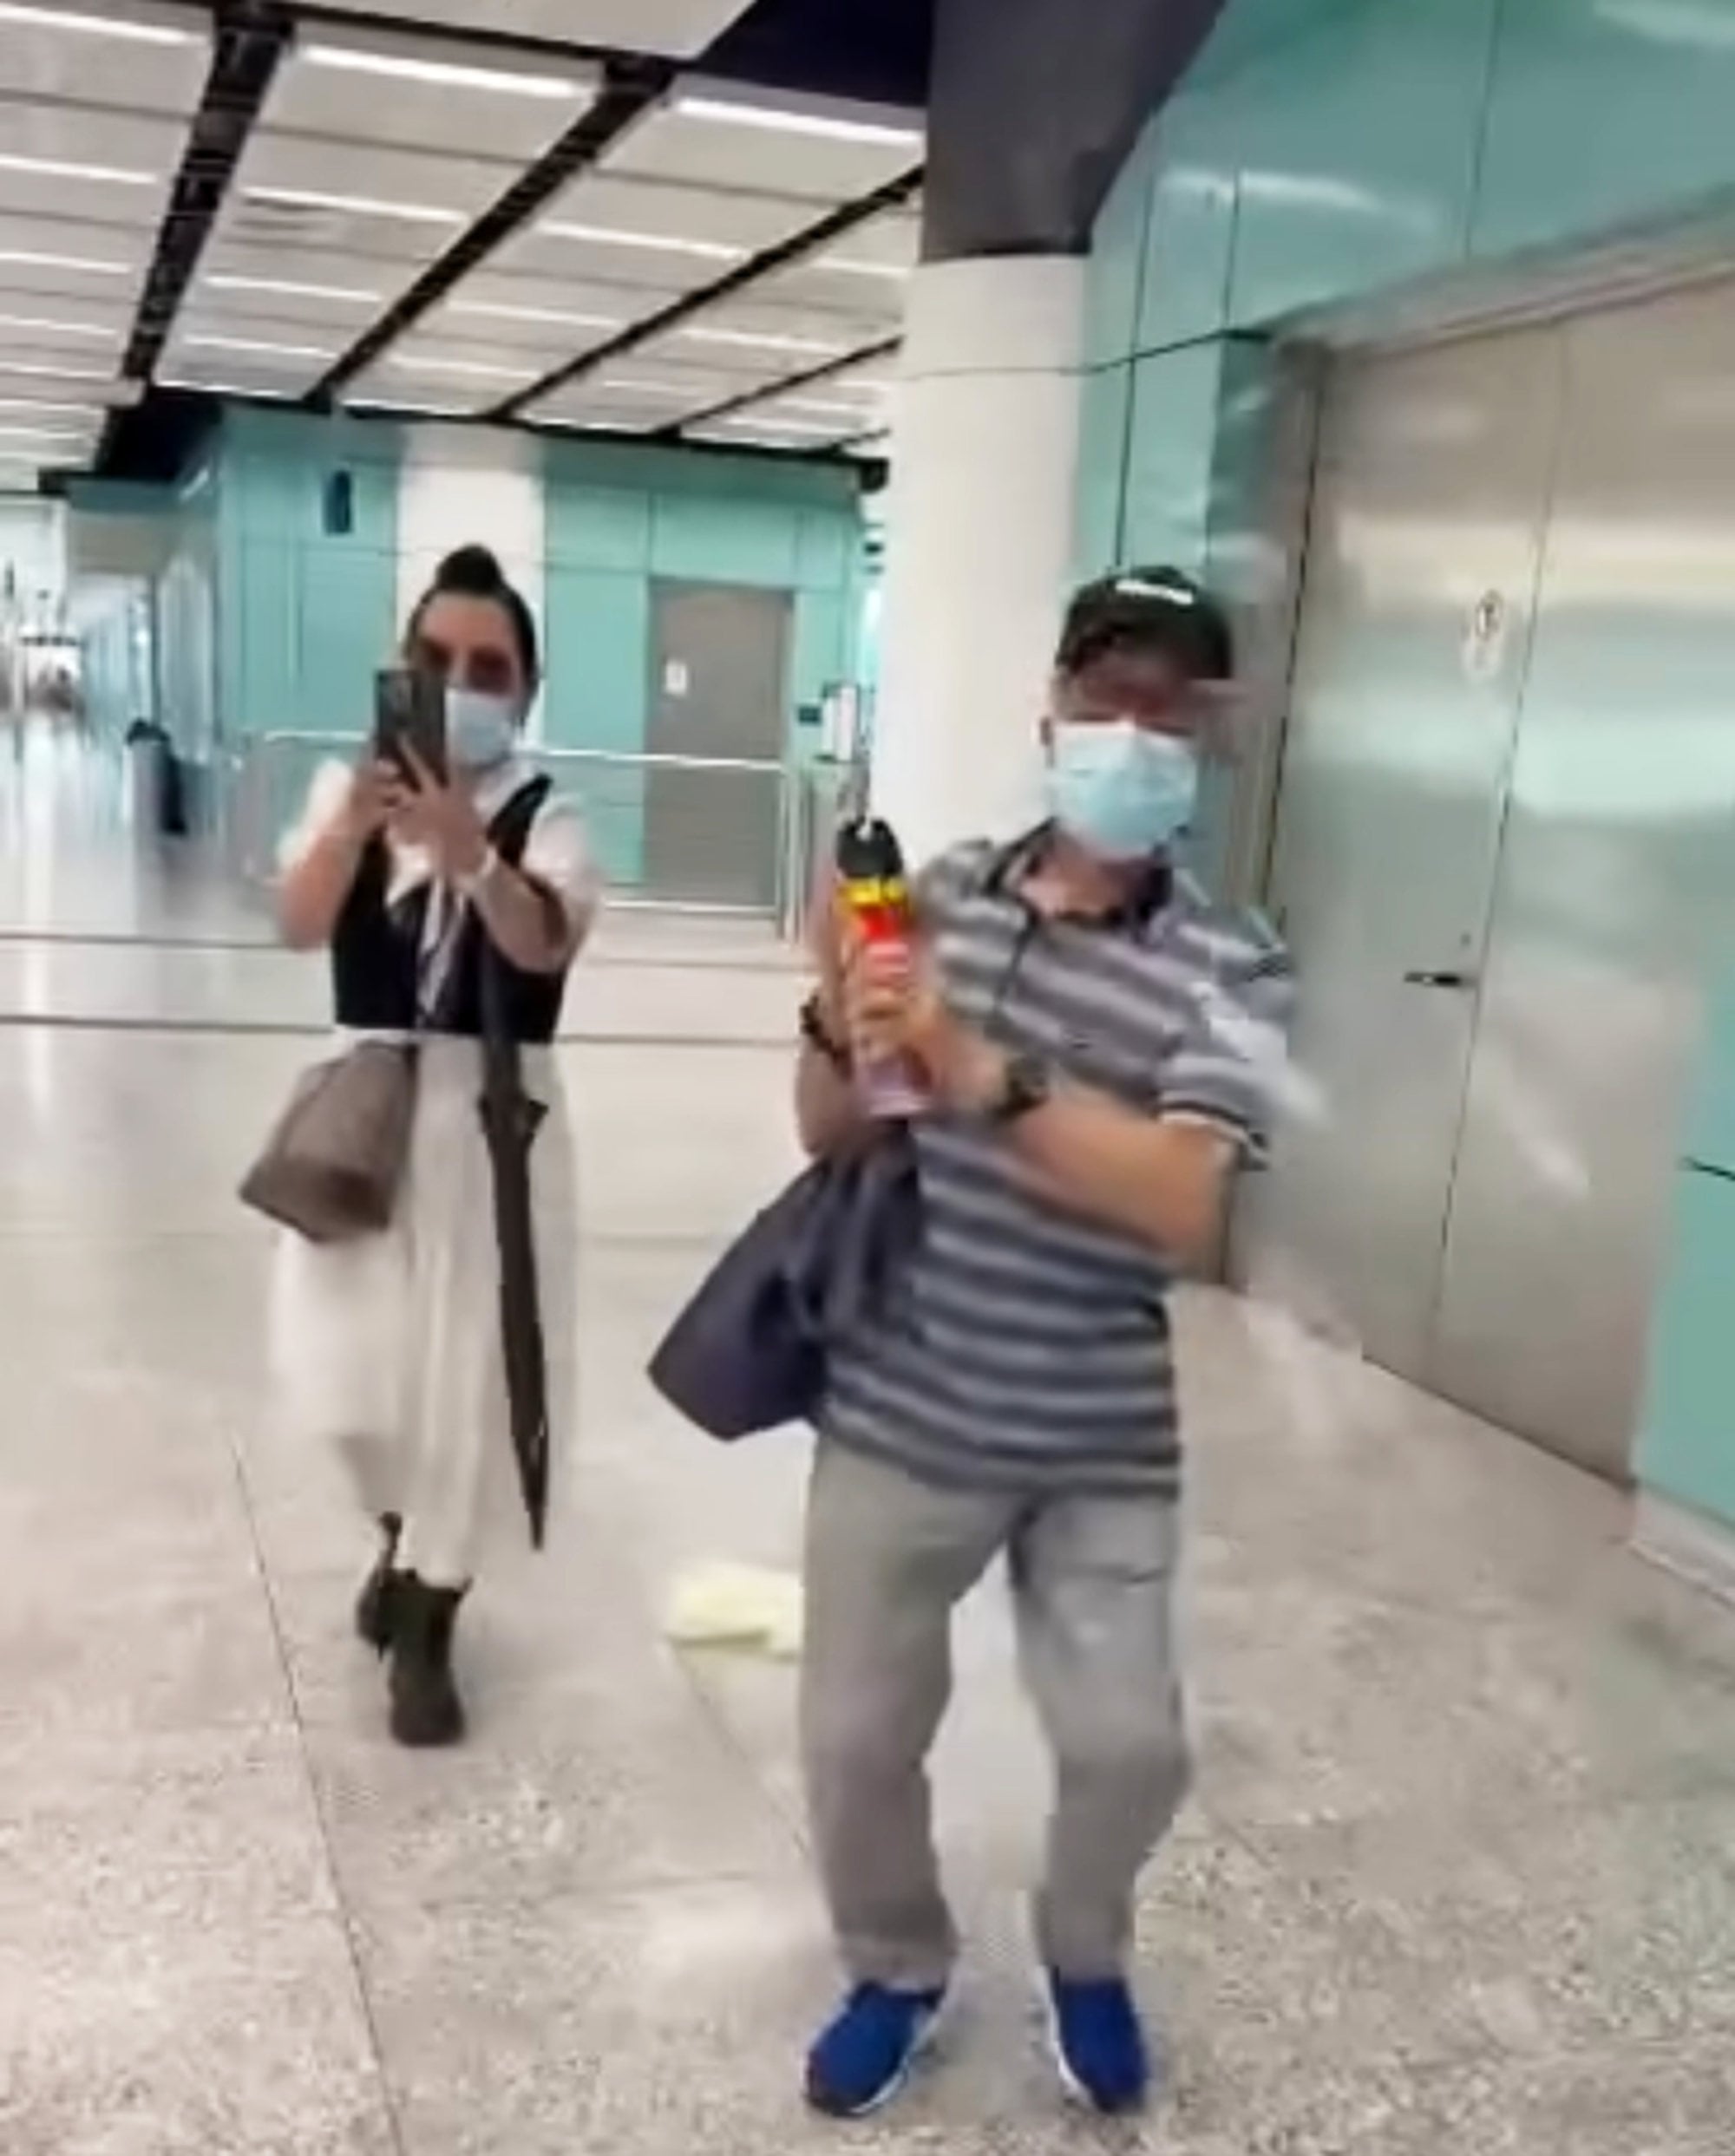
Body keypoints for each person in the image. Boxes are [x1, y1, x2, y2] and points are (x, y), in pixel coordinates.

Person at [793, 568, 1291, 2118]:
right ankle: (895, 1963)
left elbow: (1181, 1201)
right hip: (903, 1396)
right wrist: (838, 1011)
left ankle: (1084, 1947)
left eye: (1166, 706)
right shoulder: (941, 895)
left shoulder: (1239, 962)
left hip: (1098, 1426)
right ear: (1052, 707)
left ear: (1210, 734)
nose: (1129, 730)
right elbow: (835, 1131)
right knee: (855, 1736)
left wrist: (978, 1063)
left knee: (1134, 1746)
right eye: (1104, 695)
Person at [270, 545, 598, 1748]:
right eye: (436, 660)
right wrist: (355, 827)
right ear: (401, 668)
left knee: (466, 1392)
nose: (460, 685)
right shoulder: (344, 790)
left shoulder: (547, 814)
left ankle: (430, 1620)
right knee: (345, 1386)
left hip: (491, 1127)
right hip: (363, 1112)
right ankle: (398, 1534)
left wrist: (472, 852)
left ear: (526, 688)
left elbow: (544, 942)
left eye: (488, 667)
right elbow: (298, 923)